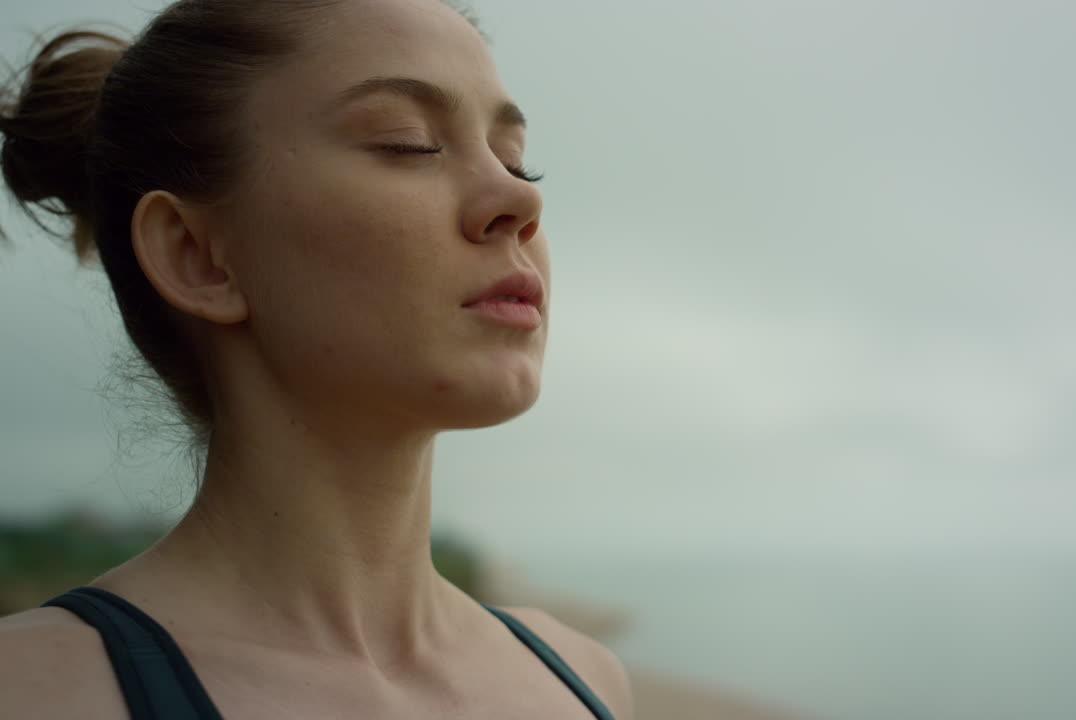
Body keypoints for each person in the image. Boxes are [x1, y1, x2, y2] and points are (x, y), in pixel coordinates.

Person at [0, 0, 633, 717]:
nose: (518, 197)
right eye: (409, 143)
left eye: (514, 158)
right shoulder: (33, 692)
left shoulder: (583, 680)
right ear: (197, 255)